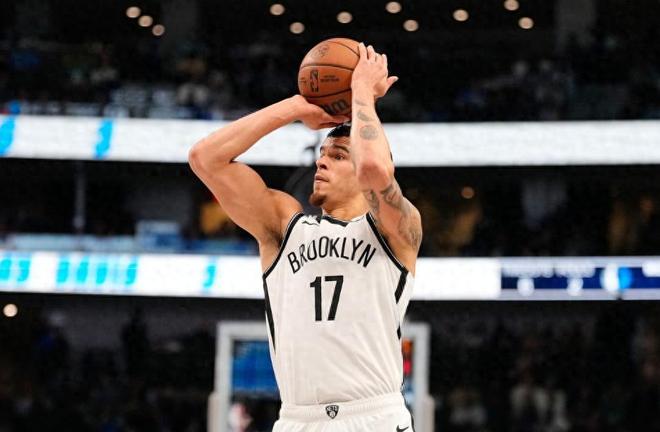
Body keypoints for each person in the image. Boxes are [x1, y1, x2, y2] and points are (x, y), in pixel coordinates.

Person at [189, 42, 422, 432]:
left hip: (374, 416)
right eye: (322, 153)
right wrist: (295, 108)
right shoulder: (284, 226)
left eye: (338, 155)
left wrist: (362, 91)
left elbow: (375, 169)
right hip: (298, 419)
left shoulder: (396, 228)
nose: (321, 160)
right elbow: (204, 158)